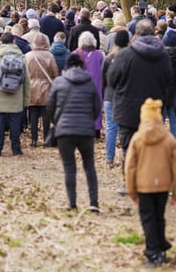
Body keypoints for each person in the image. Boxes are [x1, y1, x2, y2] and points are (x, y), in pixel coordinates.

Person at [108, 19, 172, 196]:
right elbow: (168, 79)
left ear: (135, 34)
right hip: (153, 109)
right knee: (151, 146)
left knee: (128, 147)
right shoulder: (163, 56)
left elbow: (112, 80)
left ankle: (130, 183)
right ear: (154, 34)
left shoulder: (124, 55)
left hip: (127, 109)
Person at [124, 98, 176, 268]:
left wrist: (131, 191)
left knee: (148, 219)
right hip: (163, 186)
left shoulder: (137, 139)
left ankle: (152, 252)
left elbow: (130, 168)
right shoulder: (170, 139)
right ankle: (161, 249)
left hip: (144, 187)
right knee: (159, 217)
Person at [47, 54, 101, 212]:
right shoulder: (89, 82)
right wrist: (89, 120)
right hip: (86, 130)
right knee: (89, 166)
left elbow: (50, 106)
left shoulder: (59, 82)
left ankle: (72, 203)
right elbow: (96, 108)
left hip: (64, 130)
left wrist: (55, 122)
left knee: (70, 167)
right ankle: (93, 202)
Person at [0, 32, 30, 157]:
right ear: (14, 41)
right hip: (16, 94)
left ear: (0, 42)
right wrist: (26, 100)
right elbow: (26, 80)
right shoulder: (21, 57)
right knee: (15, 122)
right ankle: (16, 149)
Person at [101, 30, 129, 167]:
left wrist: (104, 94)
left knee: (111, 128)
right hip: (125, 96)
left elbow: (103, 79)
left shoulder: (108, 58)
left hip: (110, 95)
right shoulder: (130, 58)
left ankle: (109, 157)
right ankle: (126, 156)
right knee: (126, 127)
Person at [26, 33, 58, 147]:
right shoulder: (49, 56)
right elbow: (55, 73)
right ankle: (45, 138)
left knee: (33, 113)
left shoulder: (28, 56)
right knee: (46, 114)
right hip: (46, 87)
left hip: (31, 86)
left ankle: (34, 140)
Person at [72, 31, 104, 137]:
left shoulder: (75, 54)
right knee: (96, 106)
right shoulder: (99, 55)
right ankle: (96, 129)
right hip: (96, 84)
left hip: (80, 84)